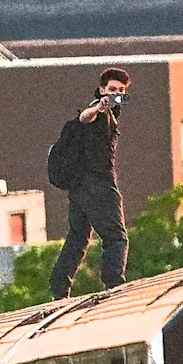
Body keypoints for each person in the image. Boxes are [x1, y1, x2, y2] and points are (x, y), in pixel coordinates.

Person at [49, 67, 131, 300]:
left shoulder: (111, 113)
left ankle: (59, 287)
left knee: (78, 237)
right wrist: (100, 107)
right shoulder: (99, 111)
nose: (116, 94)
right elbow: (85, 117)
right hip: (99, 185)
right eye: (112, 89)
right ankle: (114, 284)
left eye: (121, 91)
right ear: (102, 90)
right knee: (116, 237)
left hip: (80, 187)